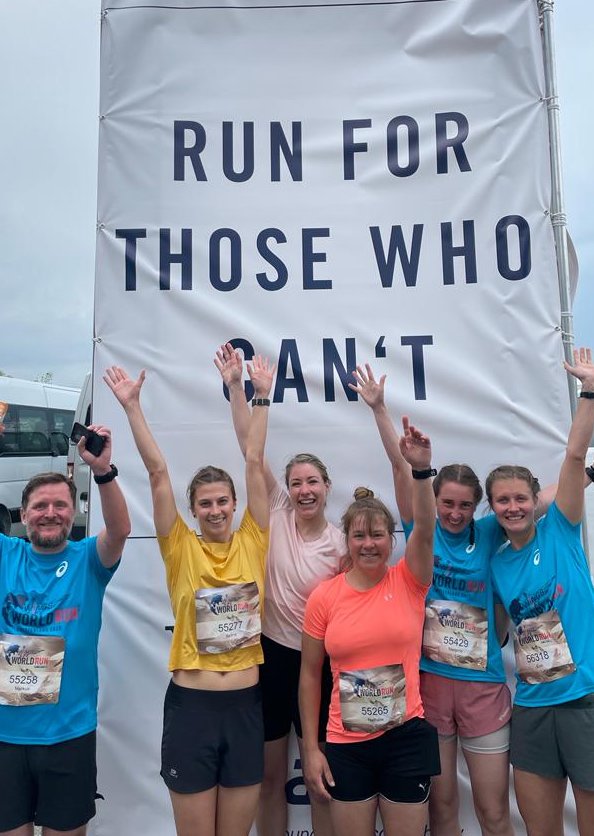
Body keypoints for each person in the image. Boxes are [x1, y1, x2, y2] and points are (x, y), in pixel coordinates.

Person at [351, 363, 594, 836]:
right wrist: (379, 408)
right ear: (433, 502)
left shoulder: (491, 536)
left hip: (492, 687)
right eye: (447, 504)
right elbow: (403, 467)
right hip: (434, 685)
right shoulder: (422, 532)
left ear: (479, 507)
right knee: (441, 808)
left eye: (466, 505)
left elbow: (540, 500)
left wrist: (590, 471)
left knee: (495, 812)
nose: (456, 513)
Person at [0, 416, 131, 836]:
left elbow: (119, 530)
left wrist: (102, 471)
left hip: (68, 735)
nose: (50, 514)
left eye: (60, 505)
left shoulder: (89, 562)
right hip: (5, 733)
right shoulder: (1, 555)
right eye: (40, 506)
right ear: (24, 514)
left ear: (74, 512)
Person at [105, 357, 272, 836]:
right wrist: (133, 407)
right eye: (205, 503)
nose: (216, 510)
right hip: (191, 709)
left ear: (236, 505)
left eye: (223, 501)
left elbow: (254, 461)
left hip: (244, 708)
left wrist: (256, 393)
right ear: (193, 510)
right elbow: (158, 473)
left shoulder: (254, 538)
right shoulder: (179, 546)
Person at [489, 348, 594, 836]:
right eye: (502, 500)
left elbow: (574, 456)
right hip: (534, 708)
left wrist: (590, 389)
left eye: (521, 498)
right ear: (492, 508)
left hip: (591, 698)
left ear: (537, 501)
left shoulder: (561, 530)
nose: (513, 507)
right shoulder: (497, 563)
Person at [214, 342, 343, 836]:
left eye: (313, 481)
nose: (305, 489)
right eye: (297, 482)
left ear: (327, 487)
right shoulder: (277, 515)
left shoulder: (340, 547)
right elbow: (252, 449)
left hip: (321, 663)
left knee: (322, 779)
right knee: (268, 779)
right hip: (269, 658)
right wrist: (238, 389)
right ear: (287, 489)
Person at [299, 417, 440, 836]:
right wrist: (311, 748)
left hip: (406, 737)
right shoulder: (324, 597)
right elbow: (309, 675)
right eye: (359, 535)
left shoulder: (410, 579)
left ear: (391, 539)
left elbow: (427, 529)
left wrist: (421, 469)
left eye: (377, 534)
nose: (368, 543)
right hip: (347, 744)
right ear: (347, 539)